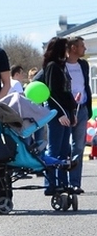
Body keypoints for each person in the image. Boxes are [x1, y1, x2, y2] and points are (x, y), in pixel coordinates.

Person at [41, 37, 77, 195]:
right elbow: (52, 93)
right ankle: (50, 184)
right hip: (57, 113)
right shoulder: (52, 67)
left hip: (66, 113)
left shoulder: (63, 67)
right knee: (54, 150)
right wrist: (59, 114)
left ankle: (63, 182)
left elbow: (67, 92)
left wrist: (72, 112)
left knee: (64, 150)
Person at [63, 36, 92, 193]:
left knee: (78, 147)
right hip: (66, 110)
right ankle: (61, 181)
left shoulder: (83, 65)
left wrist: (87, 107)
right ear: (73, 48)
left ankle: (75, 182)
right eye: (82, 46)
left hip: (82, 109)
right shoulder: (60, 65)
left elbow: (85, 85)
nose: (84, 49)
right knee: (63, 147)